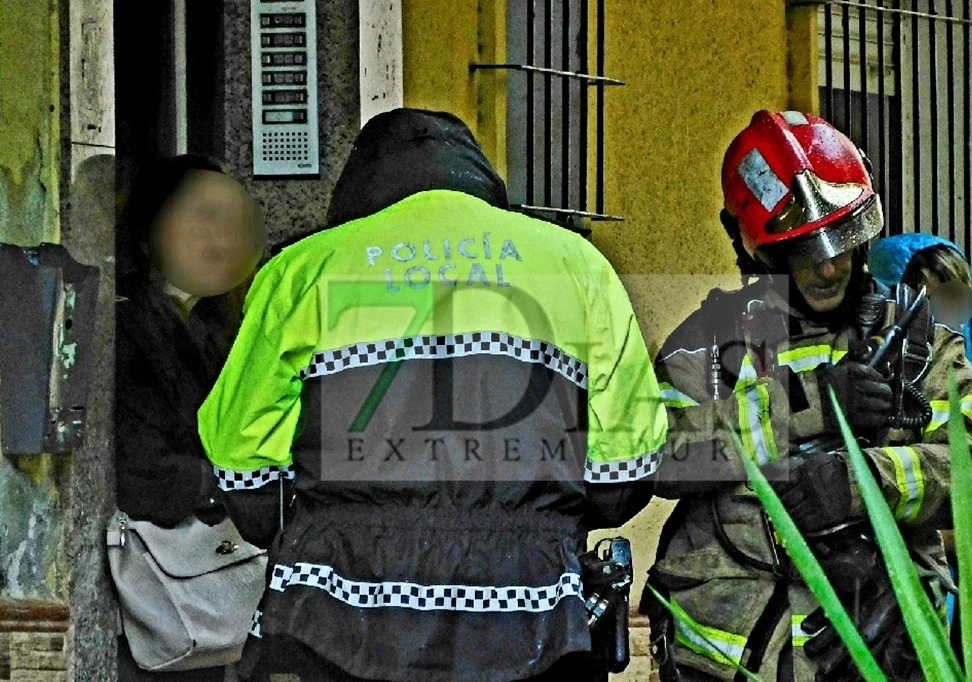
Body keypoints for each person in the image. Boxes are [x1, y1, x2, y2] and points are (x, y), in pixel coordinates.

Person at [198, 108, 667, 681]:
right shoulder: (577, 266)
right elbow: (623, 476)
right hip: (531, 612)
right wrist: (538, 524)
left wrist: (313, 527)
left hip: (335, 613)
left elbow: (243, 469)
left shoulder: (302, 270)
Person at [643, 110, 972, 682]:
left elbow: (969, 466)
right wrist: (804, 406)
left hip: (875, 652)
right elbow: (657, 457)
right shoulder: (705, 344)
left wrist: (855, 484)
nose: (829, 266)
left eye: (842, 239)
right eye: (805, 248)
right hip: (723, 664)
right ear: (752, 247)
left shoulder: (924, 343)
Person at [114, 154, 266, 680]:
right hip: (155, 582)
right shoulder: (131, 325)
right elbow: (141, 473)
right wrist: (221, 482)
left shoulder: (212, 324)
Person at [870, 234, 972, 682]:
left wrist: (958, 539)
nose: (941, 320)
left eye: (953, 302)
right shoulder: (856, 391)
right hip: (869, 602)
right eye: (924, 303)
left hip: (966, 613)